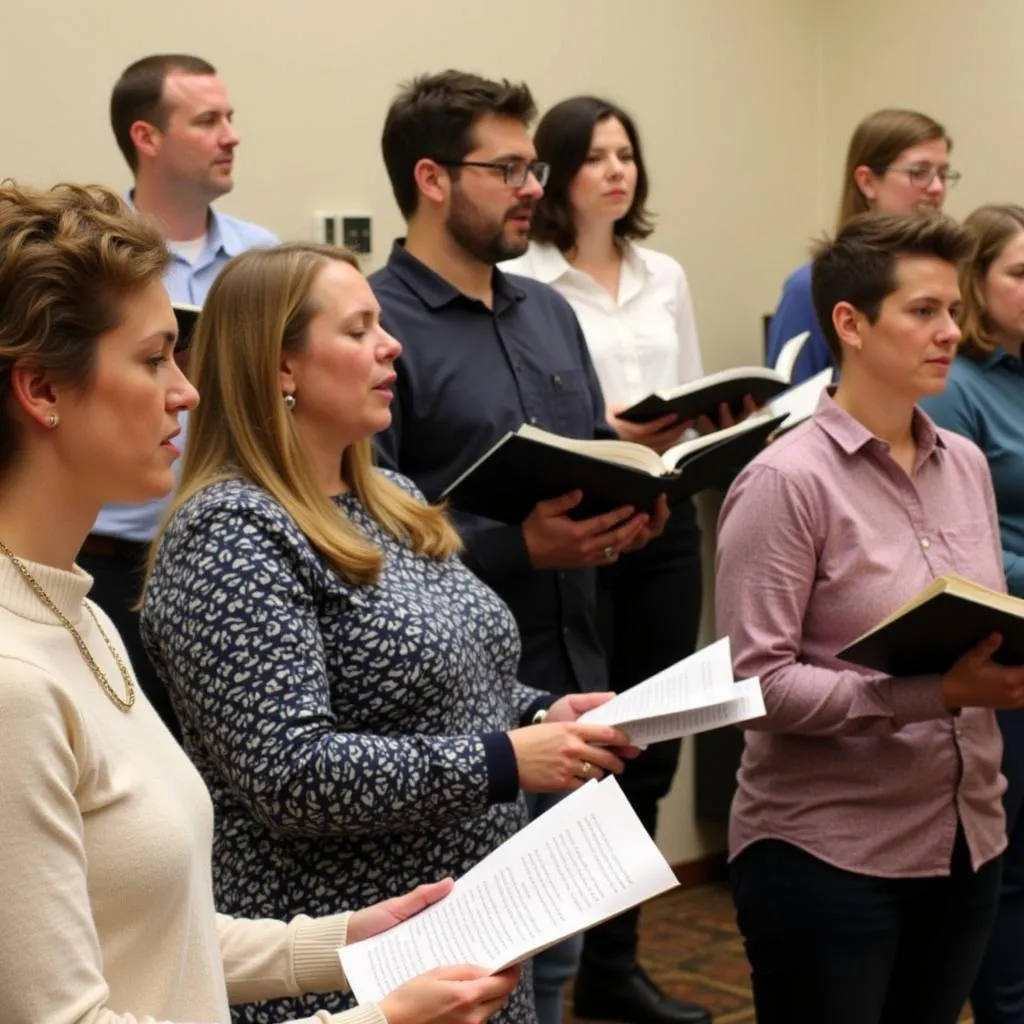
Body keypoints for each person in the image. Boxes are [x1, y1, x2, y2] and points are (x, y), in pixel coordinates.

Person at [0, 181, 520, 1024]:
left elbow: (149, 932)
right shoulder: (15, 681)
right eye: (152, 358)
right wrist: (380, 1017)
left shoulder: (79, 613)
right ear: (43, 391)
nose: (187, 390)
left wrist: (352, 940)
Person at [140, 240, 637, 1024]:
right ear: (281, 368)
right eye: (358, 329)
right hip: (341, 963)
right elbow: (289, 774)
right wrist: (504, 759)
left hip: (471, 934)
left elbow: (457, 675)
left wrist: (542, 714)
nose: (391, 344)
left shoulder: (393, 497)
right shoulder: (230, 534)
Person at [369, 70, 668, 1024]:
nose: (534, 187)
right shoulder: (373, 328)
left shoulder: (548, 314)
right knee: (474, 981)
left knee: (555, 967)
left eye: (534, 165)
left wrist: (628, 512)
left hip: (571, 680)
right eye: (507, 168)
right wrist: (518, 551)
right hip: (452, 728)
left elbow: (582, 466)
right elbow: (362, 533)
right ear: (431, 178)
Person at [717, 211, 1024, 1024]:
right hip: (827, 850)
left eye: (954, 310)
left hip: (966, 835)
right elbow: (758, 685)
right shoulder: (785, 483)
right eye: (923, 312)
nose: (949, 332)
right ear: (850, 325)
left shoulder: (964, 465)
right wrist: (937, 693)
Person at [503, 95, 710, 1024]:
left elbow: (695, 382)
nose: (618, 172)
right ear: (556, 174)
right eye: (596, 158)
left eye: (628, 154)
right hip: (579, 528)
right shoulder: (529, 279)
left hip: (663, 519)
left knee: (657, 740)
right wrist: (611, 433)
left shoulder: (662, 272)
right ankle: (565, 954)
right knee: (592, 738)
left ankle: (613, 964)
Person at [80, 53, 278, 738]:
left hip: (234, 562)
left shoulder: (263, 262)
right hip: (110, 563)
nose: (231, 135)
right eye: (207, 120)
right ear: (147, 138)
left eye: (231, 118)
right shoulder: (100, 262)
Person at [919, 203, 1024, 1024]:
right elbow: (958, 542)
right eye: (1020, 273)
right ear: (976, 288)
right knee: (1007, 865)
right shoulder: (956, 389)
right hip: (1003, 643)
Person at [765, 108, 959, 383]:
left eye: (943, 174)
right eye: (919, 172)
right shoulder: (808, 287)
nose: (937, 187)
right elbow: (787, 404)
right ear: (867, 182)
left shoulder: (949, 281)